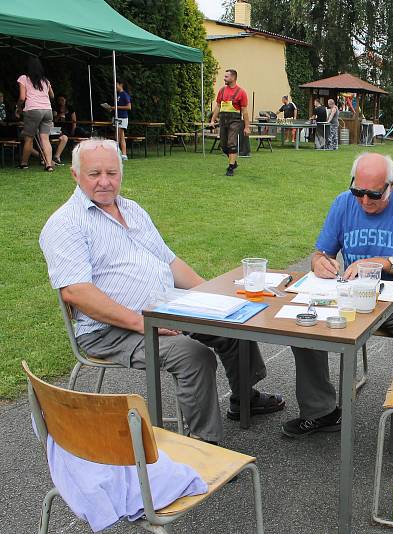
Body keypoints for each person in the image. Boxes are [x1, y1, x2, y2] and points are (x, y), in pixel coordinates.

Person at [39, 139, 285, 444]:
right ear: (75, 175)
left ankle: (244, 398)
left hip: (164, 308)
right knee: (192, 354)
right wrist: (141, 323)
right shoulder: (65, 224)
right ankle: (203, 446)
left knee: (234, 323)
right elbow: (76, 293)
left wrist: (215, 298)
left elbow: (170, 262)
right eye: (94, 174)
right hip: (110, 329)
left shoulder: (132, 209)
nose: (105, 182)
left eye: (112, 173)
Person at [283, 153, 393, 464]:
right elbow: (319, 254)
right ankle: (322, 411)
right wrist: (321, 264)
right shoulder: (343, 203)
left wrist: (388, 263)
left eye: (374, 194)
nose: (365, 201)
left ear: (392, 187)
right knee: (302, 325)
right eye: (359, 192)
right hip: (351, 297)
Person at [16, 57, 55, 171]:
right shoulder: (45, 81)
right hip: (47, 110)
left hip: (33, 110)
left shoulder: (24, 78)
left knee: (29, 138)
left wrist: (18, 107)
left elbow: (22, 98)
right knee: (45, 139)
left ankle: (24, 163)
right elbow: (52, 95)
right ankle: (48, 165)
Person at [210, 69, 249, 177]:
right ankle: (234, 162)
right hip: (223, 121)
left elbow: (245, 111)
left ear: (233, 78)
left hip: (235, 121)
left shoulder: (241, 92)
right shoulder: (222, 91)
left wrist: (247, 127)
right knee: (224, 146)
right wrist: (213, 120)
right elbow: (218, 106)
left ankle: (230, 168)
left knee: (231, 143)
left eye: (226, 77)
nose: (224, 78)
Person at [103, 80, 131, 160]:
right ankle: (124, 154)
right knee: (121, 136)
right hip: (117, 117)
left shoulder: (124, 95)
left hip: (122, 117)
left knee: (118, 136)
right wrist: (111, 108)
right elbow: (118, 107)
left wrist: (116, 107)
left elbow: (129, 107)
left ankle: (116, 154)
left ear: (121, 84)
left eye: (116, 84)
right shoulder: (118, 95)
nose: (114, 86)